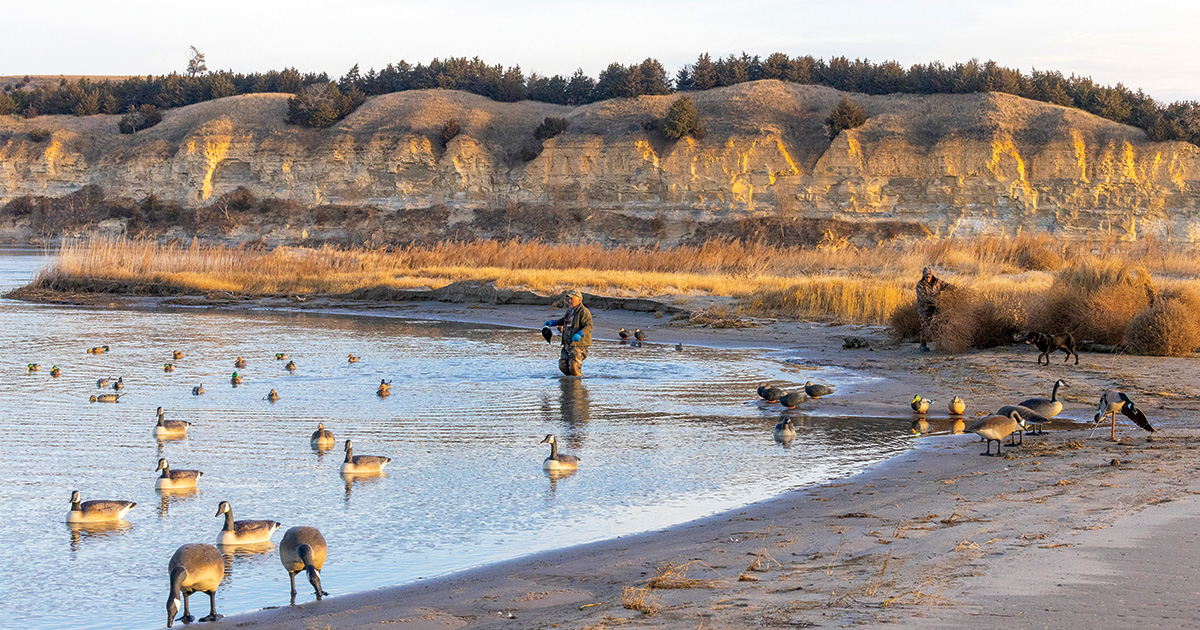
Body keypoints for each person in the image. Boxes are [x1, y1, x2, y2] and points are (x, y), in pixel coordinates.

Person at [544, 289, 593, 376]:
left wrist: (580, 333)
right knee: (563, 365)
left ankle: (578, 386)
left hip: (579, 344)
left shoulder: (584, 312)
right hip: (567, 343)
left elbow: (589, 326)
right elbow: (564, 321)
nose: (569, 301)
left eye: (572, 299)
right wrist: (554, 322)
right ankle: (570, 386)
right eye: (569, 299)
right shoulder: (569, 311)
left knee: (574, 365)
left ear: (579, 300)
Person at [915, 267, 951, 352]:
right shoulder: (920, 285)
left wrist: (954, 289)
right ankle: (923, 345)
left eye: (929, 276)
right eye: (926, 276)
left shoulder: (937, 282)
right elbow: (922, 297)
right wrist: (934, 299)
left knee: (939, 324)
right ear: (923, 276)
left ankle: (940, 344)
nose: (928, 278)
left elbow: (945, 285)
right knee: (924, 326)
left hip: (935, 307)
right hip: (924, 308)